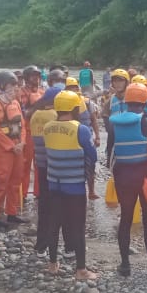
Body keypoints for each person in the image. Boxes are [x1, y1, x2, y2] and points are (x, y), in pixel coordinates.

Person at [106, 83, 147, 277]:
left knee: (125, 219)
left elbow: (110, 153)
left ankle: (125, 265)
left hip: (123, 178)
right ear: (145, 101)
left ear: (126, 101)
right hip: (145, 177)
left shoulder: (112, 123)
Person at [43, 91, 99, 281]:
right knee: (77, 227)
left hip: (53, 184)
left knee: (54, 224)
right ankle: (81, 270)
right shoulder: (80, 129)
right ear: (75, 109)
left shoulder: (47, 127)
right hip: (73, 186)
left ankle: (52, 264)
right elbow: (93, 155)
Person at [0, 71, 27, 229]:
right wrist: (11, 146)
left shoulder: (15, 102)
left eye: (16, 85)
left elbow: (22, 125)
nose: (15, 88)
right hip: (3, 148)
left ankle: (12, 212)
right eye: (12, 85)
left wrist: (22, 143)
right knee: (0, 180)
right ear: (2, 85)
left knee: (16, 180)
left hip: (18, 146)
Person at [27, 87, 61, 255]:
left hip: (40, 163)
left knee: (43, 206)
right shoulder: (55, 116)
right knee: (56, 207)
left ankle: (41, 244)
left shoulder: (35, 115)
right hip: (53, 167)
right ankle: (56, 245)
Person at [65, 77, 101, 199]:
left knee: (91, 164)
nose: (73, 90)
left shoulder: (87, 102)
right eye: (70, 88)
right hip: (71, 139)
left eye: (75, 87)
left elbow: (94, 120)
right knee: (74, 167)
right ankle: (75, 192)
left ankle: (91, 191)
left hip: (87, 138)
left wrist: (98, 137)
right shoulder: (63, 104)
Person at [18, 66, 46, 201]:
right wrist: (38, 104)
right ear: (27, 78)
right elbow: (24, 113)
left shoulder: (42, 91)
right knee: (25, 164)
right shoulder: (21, 92)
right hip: (28, 132)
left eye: (38, 75)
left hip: (42, 132)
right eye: (33, 75)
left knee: (40, 164)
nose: (36, 78)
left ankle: (39, 192)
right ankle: (22, 193)